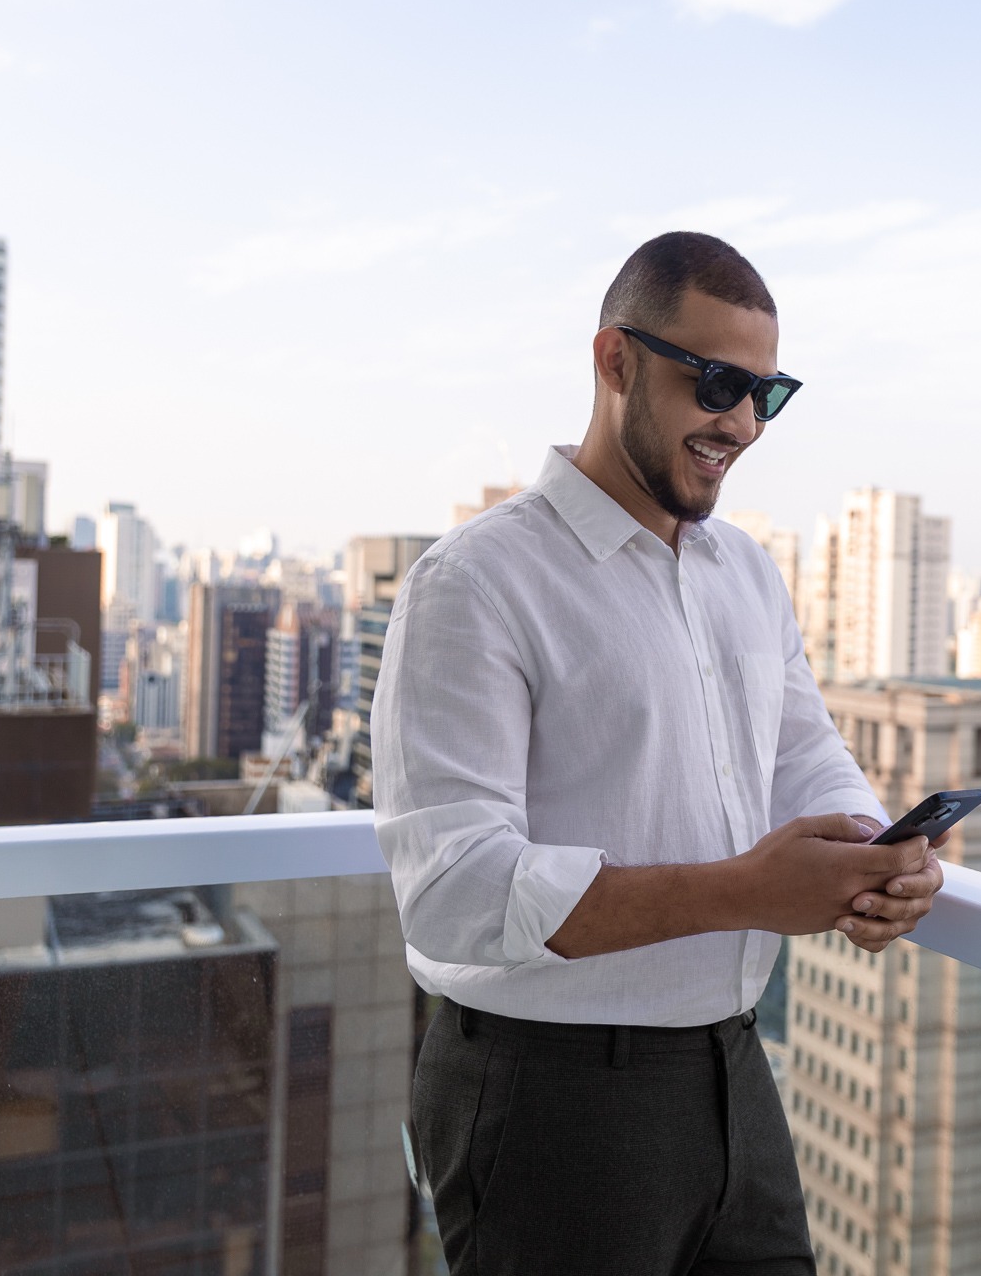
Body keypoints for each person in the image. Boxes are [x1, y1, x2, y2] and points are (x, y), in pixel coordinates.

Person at [373, 231, 945, 1275]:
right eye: (717, 383)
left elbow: (805, 753)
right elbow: (452, 888)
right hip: (547, 1097)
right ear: (616, 361)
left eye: (766, 396)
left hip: (731, 1067)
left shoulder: (745, 575)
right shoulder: (478, 581)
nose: (739, 423)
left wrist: (878, 855)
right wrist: (744, 891)